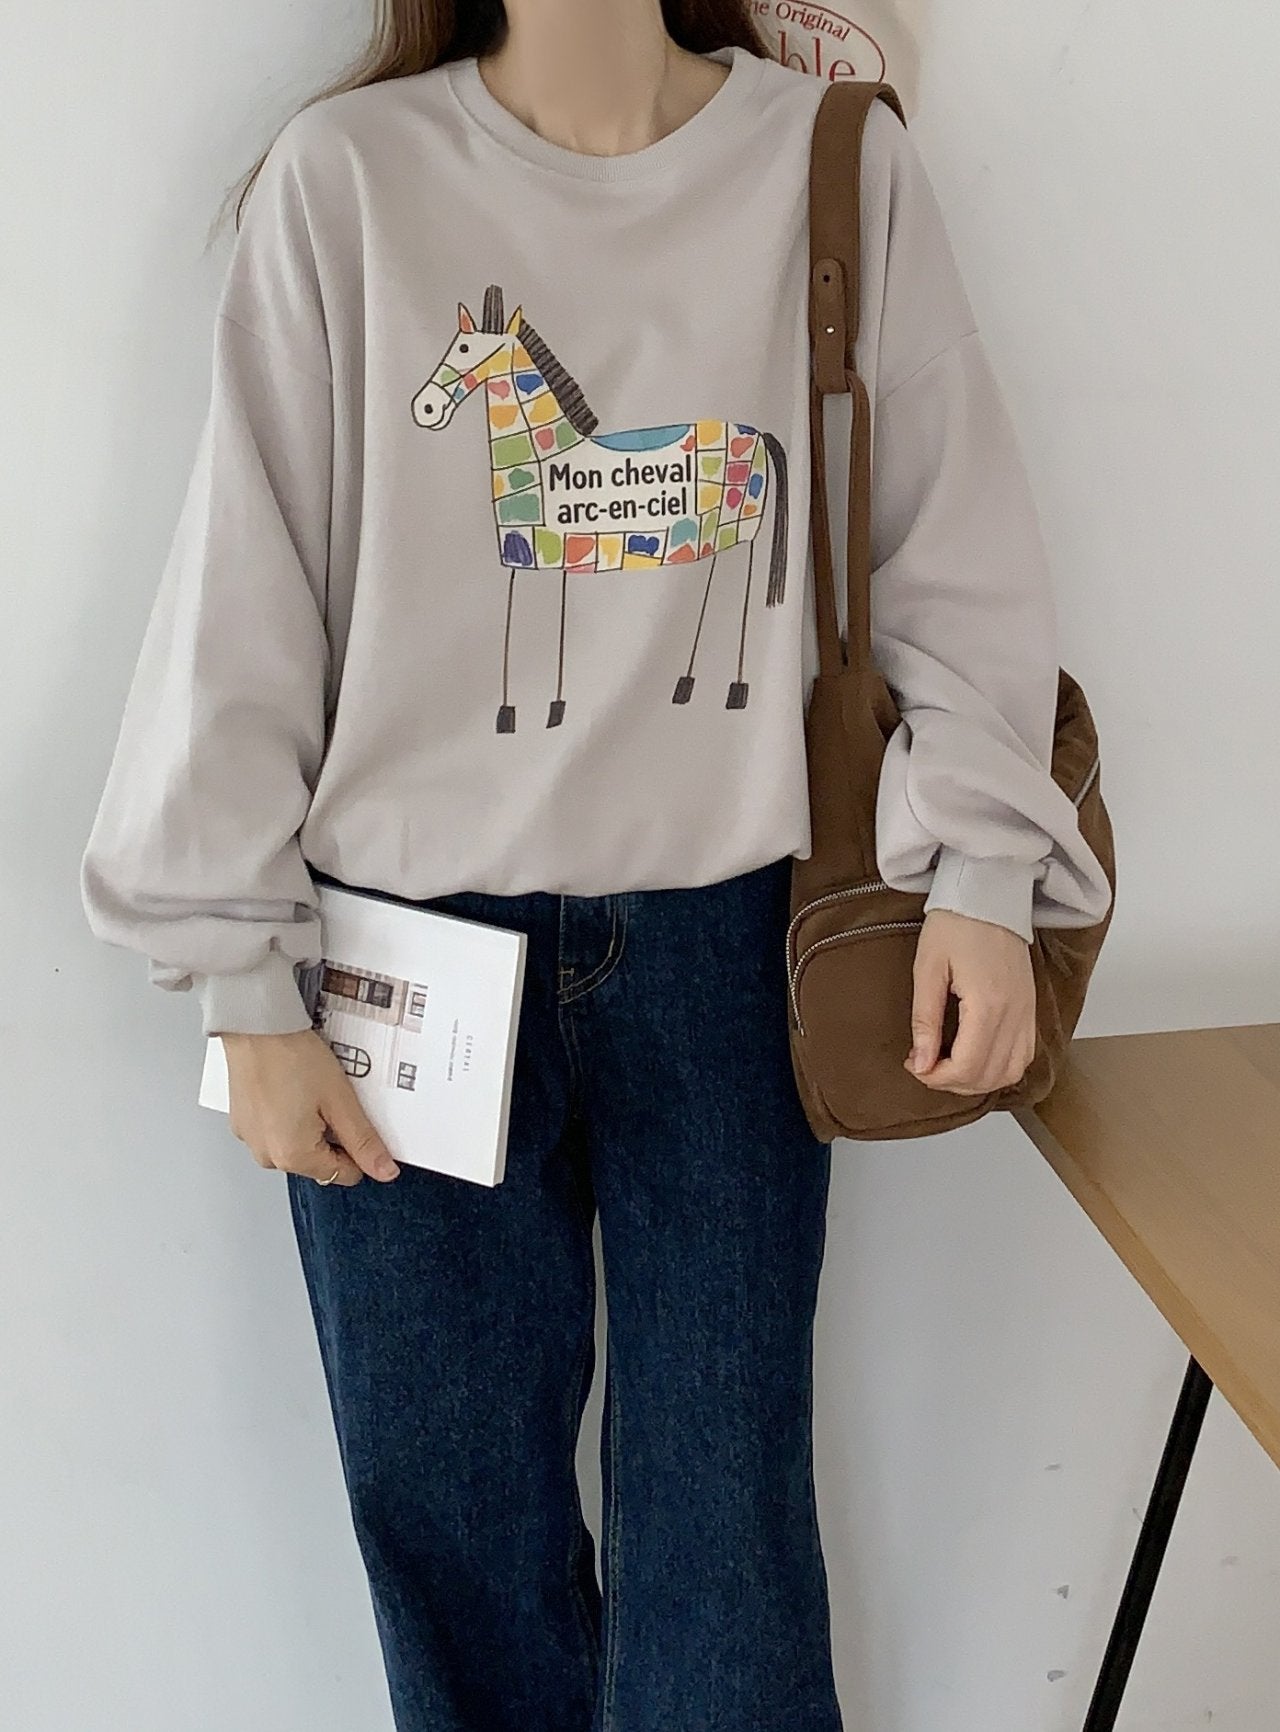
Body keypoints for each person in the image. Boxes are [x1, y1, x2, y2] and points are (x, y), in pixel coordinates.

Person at [79, 1, 1113, 1727]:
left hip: (736, 952)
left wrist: (989, 879)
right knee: (449, 1520)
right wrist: (242, 983)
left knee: (727, 1520)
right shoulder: (349, 180)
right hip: (397, 954)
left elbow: (952, 542)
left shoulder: (831, 162)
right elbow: (245, 596)